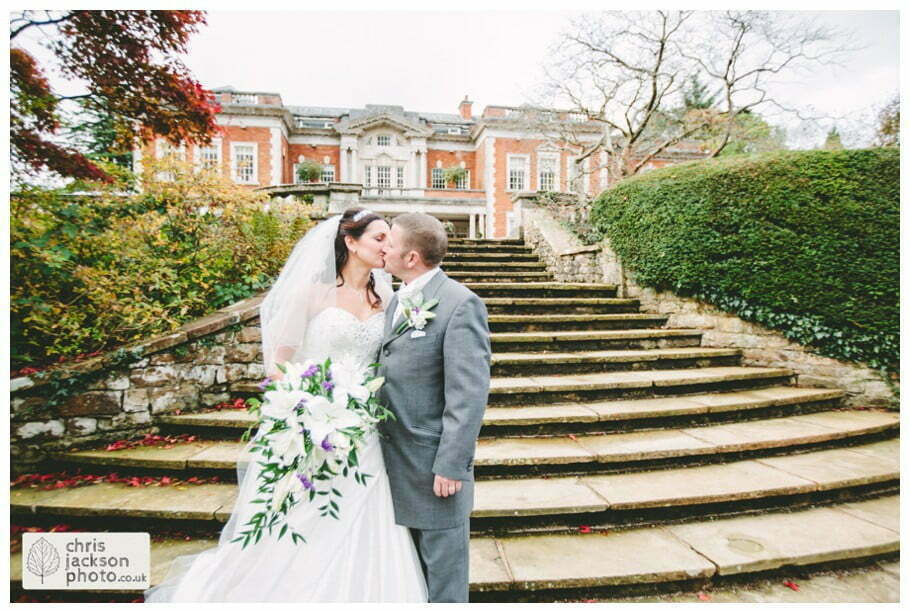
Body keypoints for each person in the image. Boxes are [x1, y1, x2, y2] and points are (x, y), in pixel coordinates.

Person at [143, 208, 428, 602]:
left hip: (366, 431)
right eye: (378, 238)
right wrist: (307, 408)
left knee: (365, 512)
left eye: (389, 239)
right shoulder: (313, 294)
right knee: (303, 515)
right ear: (350, 242)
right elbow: (279, 364)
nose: (387, 247)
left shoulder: (388, 301)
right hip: (315, 425)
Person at [377, 213, 492, 603]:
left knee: (443, 581)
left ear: (411, 257)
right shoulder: (396, 300)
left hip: (433, 469)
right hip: (393, 463)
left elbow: (468, 394)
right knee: (409, 580)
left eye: (389, 243)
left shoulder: (461, 305)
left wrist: (450, 463)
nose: (382, 249)